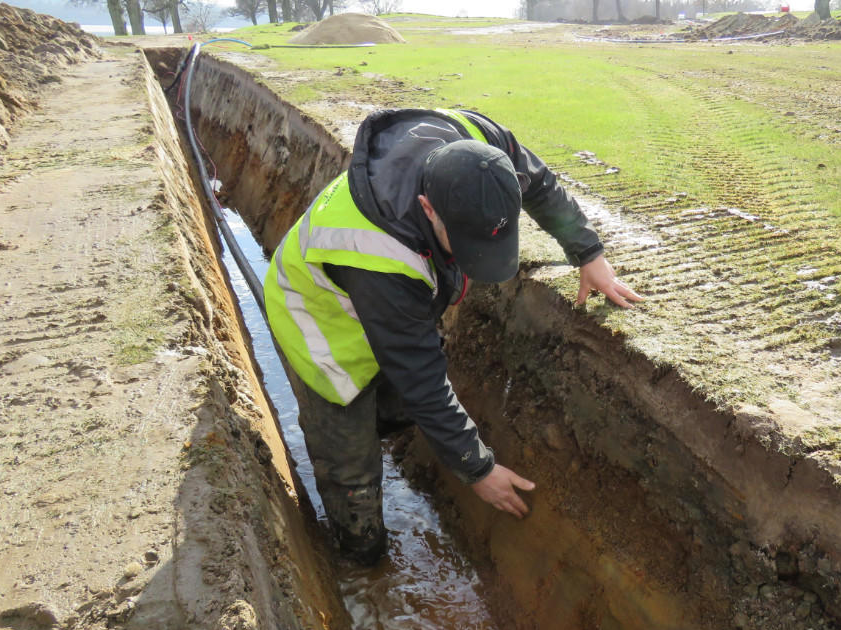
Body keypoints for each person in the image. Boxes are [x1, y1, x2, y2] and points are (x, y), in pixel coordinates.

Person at [263, 108, 642, 564]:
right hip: (320, 324)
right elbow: (420, 375)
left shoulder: (479, 150)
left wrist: (589, 253)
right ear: (428, 208)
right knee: (352, 465)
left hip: (384, 308)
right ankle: (358, 557)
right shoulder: (379, 254)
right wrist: (477, 469)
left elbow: (539, 183)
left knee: (396, 410)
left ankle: (385, 429)